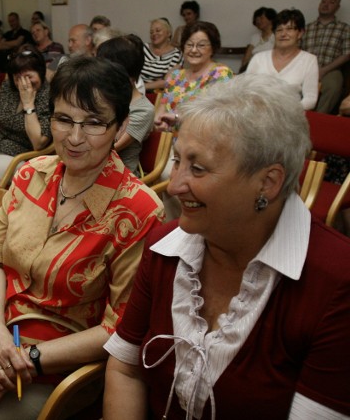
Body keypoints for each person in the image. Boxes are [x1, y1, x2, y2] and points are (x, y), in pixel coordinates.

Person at [103, 73, 350, 420]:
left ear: (268, 182)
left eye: (198, 168)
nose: (173, 186)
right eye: (177, 161)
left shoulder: (335, 281)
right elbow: (126, 369)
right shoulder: (165, 247)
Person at [0, 55, 164, 420]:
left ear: (120, 125)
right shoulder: (31, 173)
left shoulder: (138, 211)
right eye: (63, 119)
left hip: (58, 357)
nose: (75, 138)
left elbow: (120, 328)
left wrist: (23, 358)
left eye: (94, 123)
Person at [0, 45, 52, 184]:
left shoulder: (48, 96)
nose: (23, 83)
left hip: (22, 158)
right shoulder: (8, 87)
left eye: (28, 76)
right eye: (18, 77)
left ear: (41, 73)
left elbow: (38, 143)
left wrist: (28, 104)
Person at [154, 21, 233, 132]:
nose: (194, 50)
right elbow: (161, 109)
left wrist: (178, 119)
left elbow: (219, 115)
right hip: (169, 141)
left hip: (202, 141)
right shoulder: (175, 76)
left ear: (213, 48)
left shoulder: (220, 73)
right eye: (189, 44)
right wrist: (158, 123)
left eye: (201, 45)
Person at [97, 34, 154, 173]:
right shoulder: (103, 97)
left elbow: (109, 148)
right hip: (90, 171)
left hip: (119, 178)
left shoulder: (143, 109)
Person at [246, 9, 319, 110]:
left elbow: (310, 99)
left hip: (290, 116)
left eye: (289, 29)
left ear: (300, 33)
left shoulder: (309, 60)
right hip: (257, 113)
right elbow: (245, 89)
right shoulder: (259, 58)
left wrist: (287, 111)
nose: (283, 34)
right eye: (279, 30)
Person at [302, 0, 350, 114]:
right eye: (324, 1)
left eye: (331, 2)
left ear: (337, 7)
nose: (326, 4)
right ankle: (296, 116)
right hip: (304, 68)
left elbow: (347, 54)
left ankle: (318, 118)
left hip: (330, 69)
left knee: (333, 85)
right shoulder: (306, 28)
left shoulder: (344, 28)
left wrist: (323, 70)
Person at [142, 18, 183, 91]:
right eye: (151, 32)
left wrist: (142, 87)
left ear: (169, 33)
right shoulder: (142, 48)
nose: (154, 34)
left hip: (156, 95)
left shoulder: (176, 55)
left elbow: (168, 82)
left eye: (158, 30)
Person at [240, 7, 277, 73]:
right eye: (256, 19)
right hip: (253, 69)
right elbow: (246, 59)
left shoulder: (277, 36)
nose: (258, 21)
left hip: (269, 71)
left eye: (261, 18)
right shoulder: (255, 37)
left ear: (271, 19)